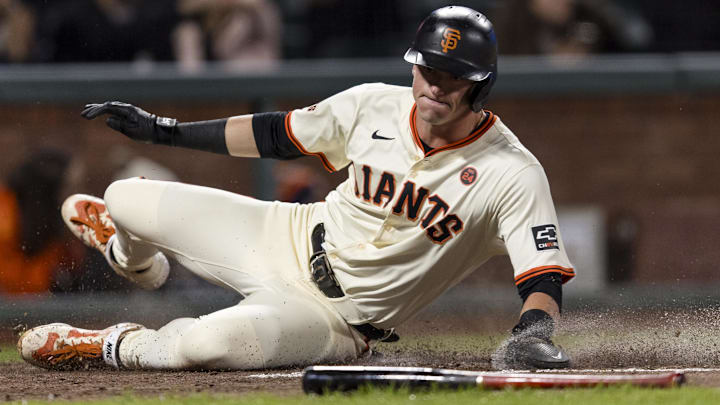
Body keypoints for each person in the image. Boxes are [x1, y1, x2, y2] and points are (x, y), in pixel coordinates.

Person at [18, 6, 575, 371]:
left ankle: (109, 344)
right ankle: (132, 259)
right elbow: (274, 134)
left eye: (453, 77)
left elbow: (541, 270)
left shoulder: (511, 171)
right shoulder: (374, 104)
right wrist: (165, 130)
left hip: (337, 319)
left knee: (204, 346)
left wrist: (535, 328)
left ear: (480, 87)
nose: (434, 87)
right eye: (428, 70)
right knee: (123, 195)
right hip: (282, 235)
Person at [0, 149, 86, 295]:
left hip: (36, 308)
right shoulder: (6, 210)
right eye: (70, 188)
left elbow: (74, 271)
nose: (79, 195)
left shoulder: (58, 226)